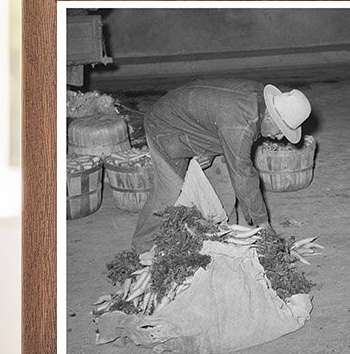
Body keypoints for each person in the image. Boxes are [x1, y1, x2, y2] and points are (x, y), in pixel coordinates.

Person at [131, 78, 312, 253]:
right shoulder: (240, 125)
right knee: (169, 190)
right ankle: (143, 246)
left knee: (223, 176)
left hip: (194, 120)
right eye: (281, 130)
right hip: (164, 125)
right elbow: (243, 174)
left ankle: (221, 235)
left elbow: (216, 117)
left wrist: (208, 149)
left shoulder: (257, 101)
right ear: (270, 117)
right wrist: (262, 223)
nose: (280, 137)